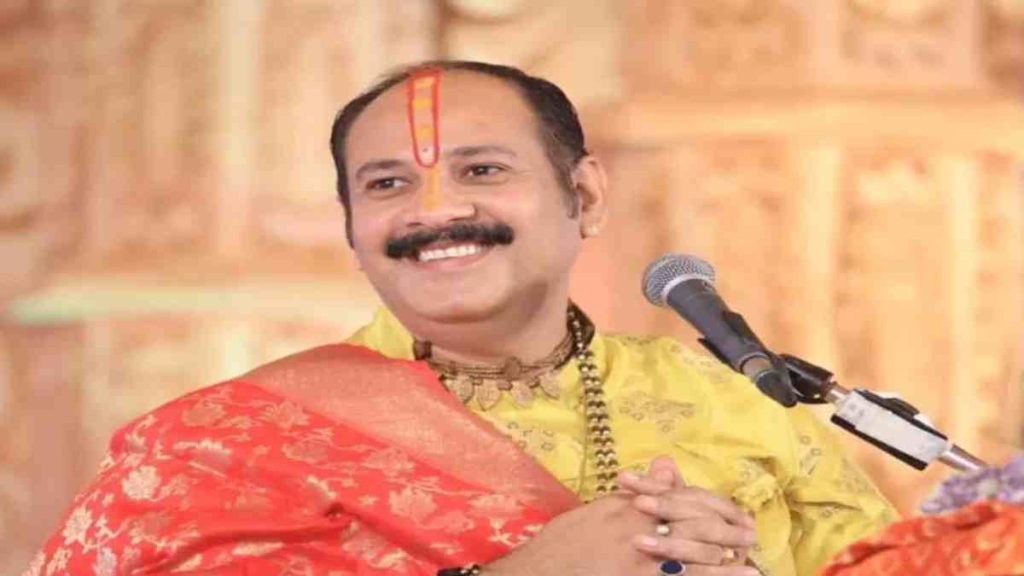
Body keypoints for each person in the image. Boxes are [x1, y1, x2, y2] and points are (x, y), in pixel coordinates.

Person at [25, 61, 896, 576]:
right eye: (387, 184)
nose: (435, 211)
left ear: (585, 196)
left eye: (482, 171)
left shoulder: (734, 402)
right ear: (352, 230)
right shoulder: (229, 442)